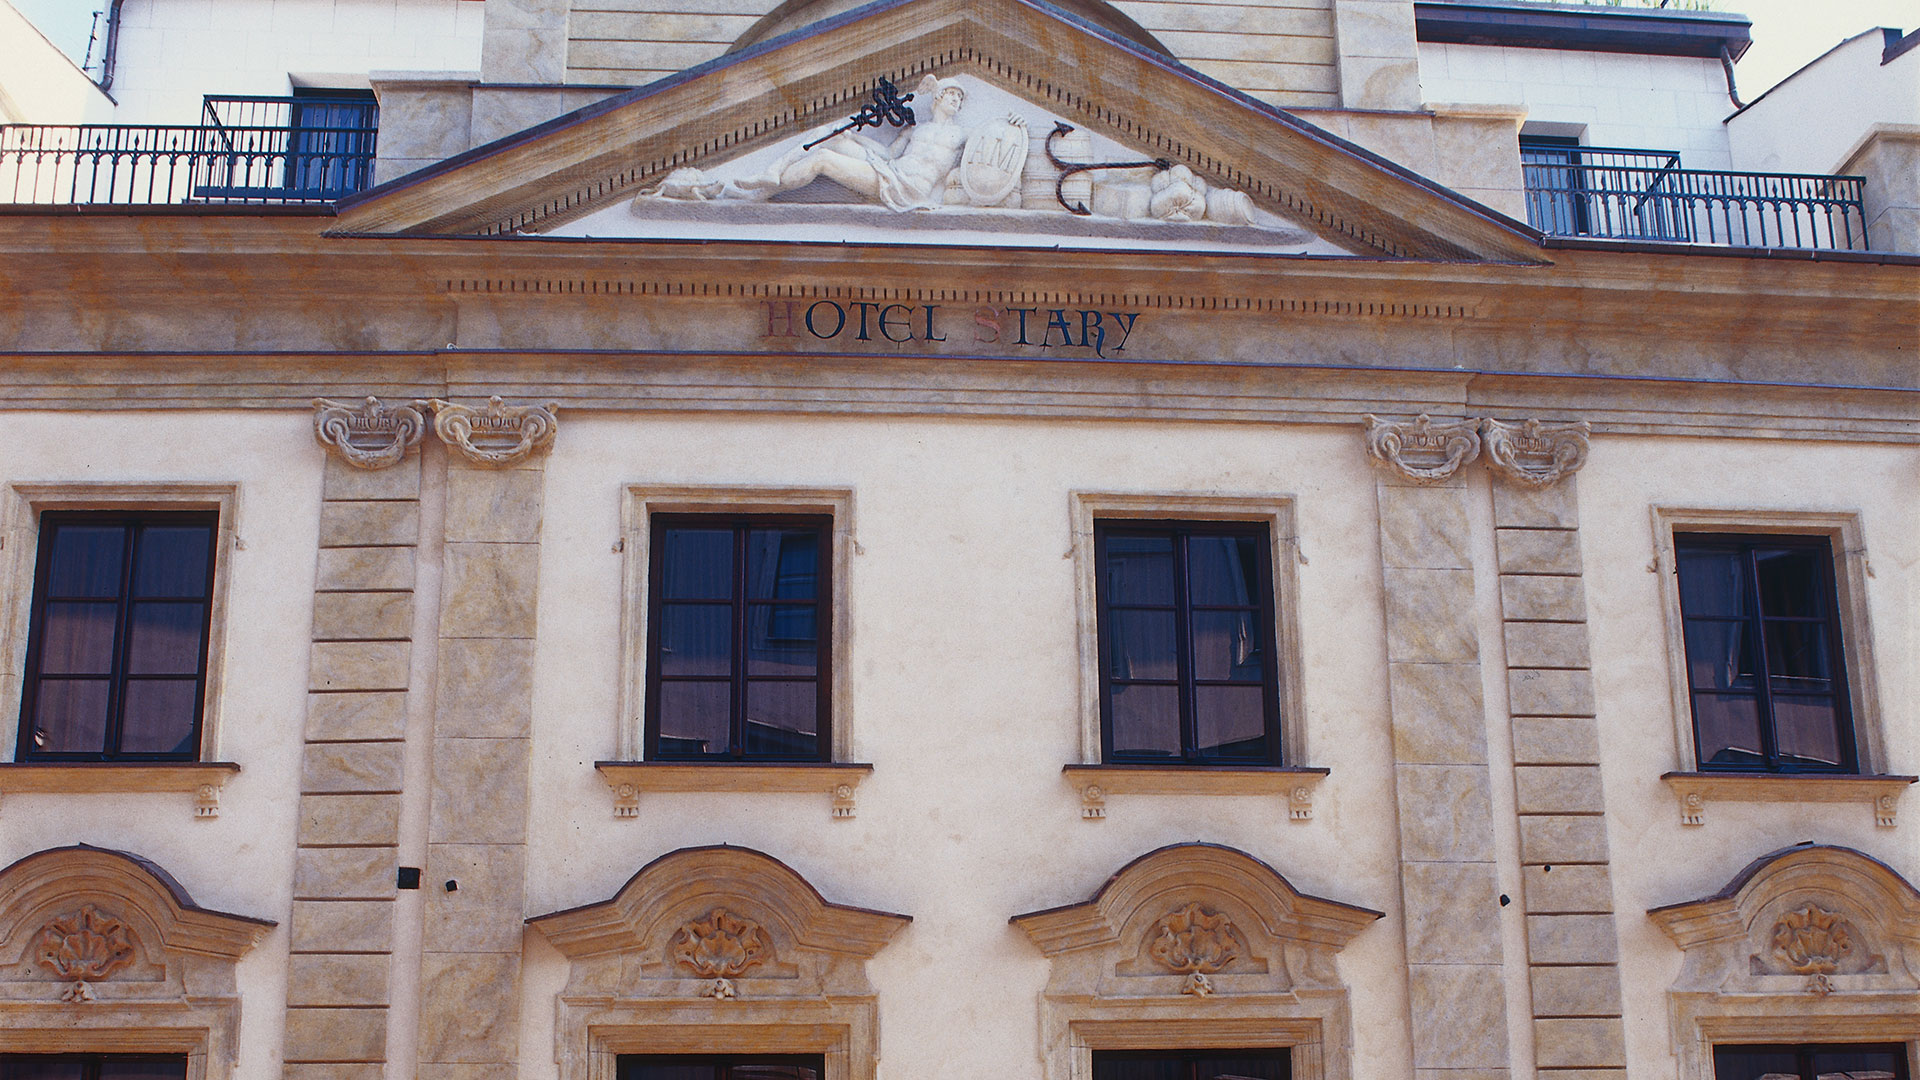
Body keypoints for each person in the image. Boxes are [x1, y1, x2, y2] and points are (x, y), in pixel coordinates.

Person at [730, 75, 969, 210]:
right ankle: (773, 171)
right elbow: (887, 154)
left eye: (959, 98)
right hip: (889, 171)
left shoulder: (961, 136)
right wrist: (854, 137)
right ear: (938, 96)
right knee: (830, 133)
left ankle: (757, 196)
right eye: (952, 94)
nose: (956, 100)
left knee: (822, 160)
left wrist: (1009, 122)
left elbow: (988, 146)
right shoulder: (915, 129)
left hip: (906, 190)